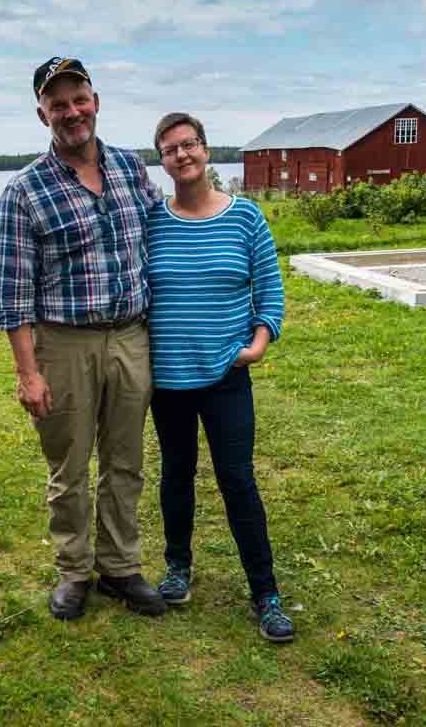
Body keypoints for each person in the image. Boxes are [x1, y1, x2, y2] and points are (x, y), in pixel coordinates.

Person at [0, 57, 166, 620]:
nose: (72, 112)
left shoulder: (131, 169)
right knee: (68, 466)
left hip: (130, 336)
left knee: (126, 459)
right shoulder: (24, 191)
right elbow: (12, 294)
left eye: (79, 99)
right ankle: (73, 570)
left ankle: (120, 567)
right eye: (58, 103)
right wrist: (28, 372)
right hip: (64, 344)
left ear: (95, 100)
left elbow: (159, 241)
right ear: (41, 113)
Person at [145, 112, 294, 642]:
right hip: (169, 380)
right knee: (175, 475)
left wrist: (257, 344)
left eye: (189, 145)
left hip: (227, 376)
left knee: (238, 480)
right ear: (160, 161)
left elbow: (271, 292)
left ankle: (265, 592)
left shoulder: (245, 218)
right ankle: (177, 569)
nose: (181, 155)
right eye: (169, 149)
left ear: (206, 151)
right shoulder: (151, 220)